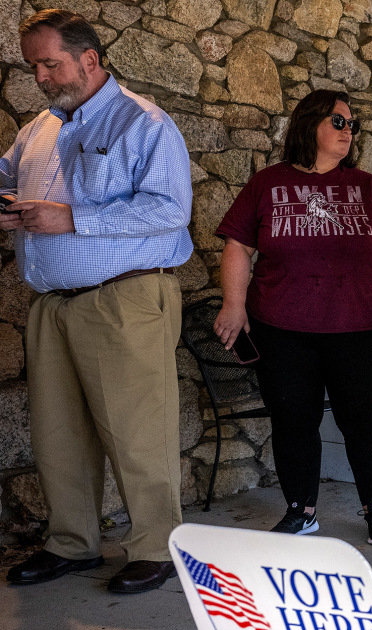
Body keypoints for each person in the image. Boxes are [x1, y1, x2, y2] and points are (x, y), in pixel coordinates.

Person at [1, 9, 192, 593]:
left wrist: (72, 218)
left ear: (89, 59)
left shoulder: (144, 122)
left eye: (49, 63)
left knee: (138, 431)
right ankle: (73, 543)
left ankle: (159, 548)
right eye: (34, 65)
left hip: (123, 299)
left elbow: (169, 210)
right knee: (58, 434)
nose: (40, 76)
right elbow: (6, 174)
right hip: (53, 304)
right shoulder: (39, 129)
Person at [213, 90, 372, 542]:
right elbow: (237, 245)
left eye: (353, 124)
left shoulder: (370, 188)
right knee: (293, 420)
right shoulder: (266, 184)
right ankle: (301, 510)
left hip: (360, 327)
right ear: (309, 124)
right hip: (282, 328)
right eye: (339, 121)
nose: (348, 131)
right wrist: (233, 304)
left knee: (366, 421)